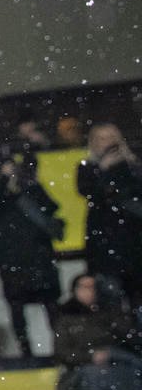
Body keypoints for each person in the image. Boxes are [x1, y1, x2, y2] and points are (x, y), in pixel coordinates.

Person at [0, 154, 62, 358]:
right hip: (13, 260)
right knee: (17, 309)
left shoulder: (32, 189)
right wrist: (3, 181)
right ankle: (26, 351)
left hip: (38, 256)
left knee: (51, 307)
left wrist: (27, 183)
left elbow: (50, 207)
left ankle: (61, 348)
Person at [77, 124, 142, 307]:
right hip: (104, 245)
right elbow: (90, 193)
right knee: (110, 305)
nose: (109, 143)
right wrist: (104, 171)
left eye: (112, 137)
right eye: (103, 138)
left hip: (134, 242)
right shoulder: (88, 169)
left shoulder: (134, 167)